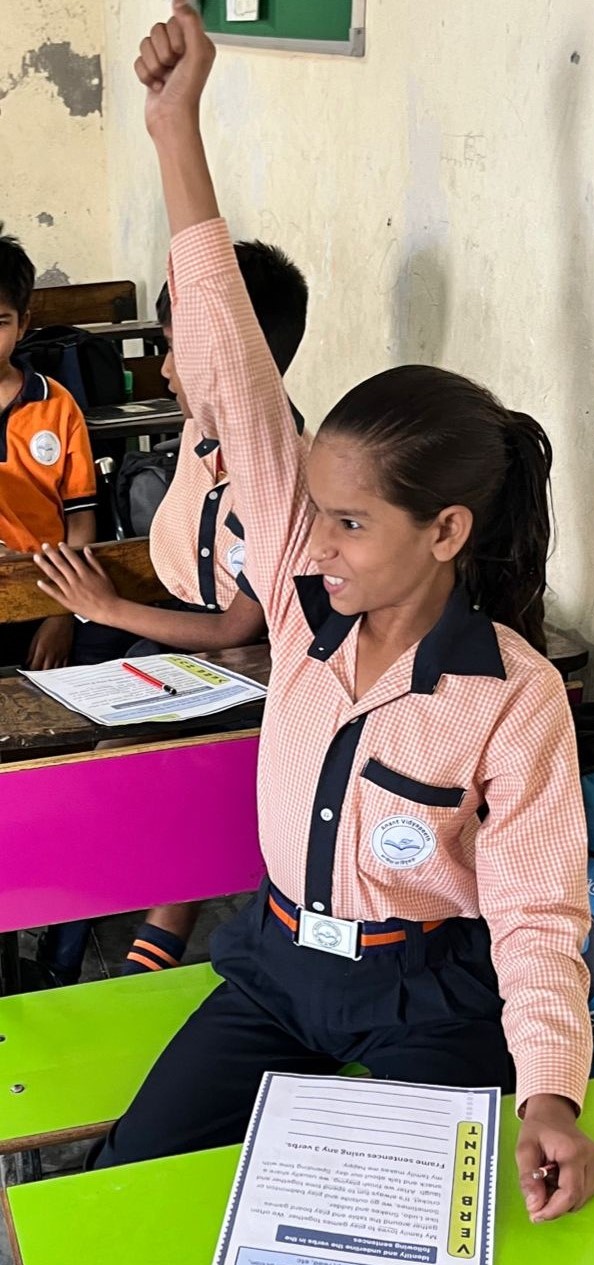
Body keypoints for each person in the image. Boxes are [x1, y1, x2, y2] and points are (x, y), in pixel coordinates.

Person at [43, 2, 594, 1220]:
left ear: (444, 530)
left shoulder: (511, 696)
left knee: (378, 1230)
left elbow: (534, 908)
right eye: (314, 511)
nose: (314, 542)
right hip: (269, 967)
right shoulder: (303, 606)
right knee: (125, 1191)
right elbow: (238, 374)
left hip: (429, 1000)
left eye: (351, 522)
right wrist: (171, 128)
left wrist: (552, 1095)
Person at [34, 240, 309, 983]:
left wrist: (103, 602)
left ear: (226, 361)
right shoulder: (201, 433)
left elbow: (236, 629)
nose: (160, 371)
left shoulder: (272, 464)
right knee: (72, 745)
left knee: (133, 769)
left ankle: (114, 954)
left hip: (261, 670)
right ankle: (79, 943)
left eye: (174, 351)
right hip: (187, 650)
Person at [0, 223, 96, 669]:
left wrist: (62, 613)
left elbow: (80, 520)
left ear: (23, 324)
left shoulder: (56, 405)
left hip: (43, 590)